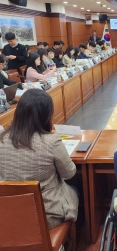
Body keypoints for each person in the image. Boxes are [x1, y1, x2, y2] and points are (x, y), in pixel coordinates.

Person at [0, 89, 78, 229]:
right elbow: (69, 173)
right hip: (46, 215)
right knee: (76, 191)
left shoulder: (2, 139)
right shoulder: (51, 141)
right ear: (46, 115)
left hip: (10, 213)